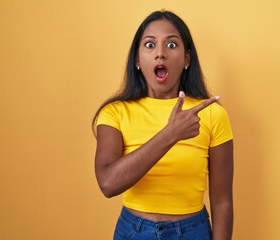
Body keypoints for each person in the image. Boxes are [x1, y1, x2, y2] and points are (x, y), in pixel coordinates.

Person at [93, 10, 234, 240]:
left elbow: (222, 201)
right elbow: (108, 183)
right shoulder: (115, 113)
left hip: (193, 231)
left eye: (171, 45)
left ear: (187, 59)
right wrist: (171, 134)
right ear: (137, 60)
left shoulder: (211, 114)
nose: (160, 53)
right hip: (133, 232)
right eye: (150, 45)